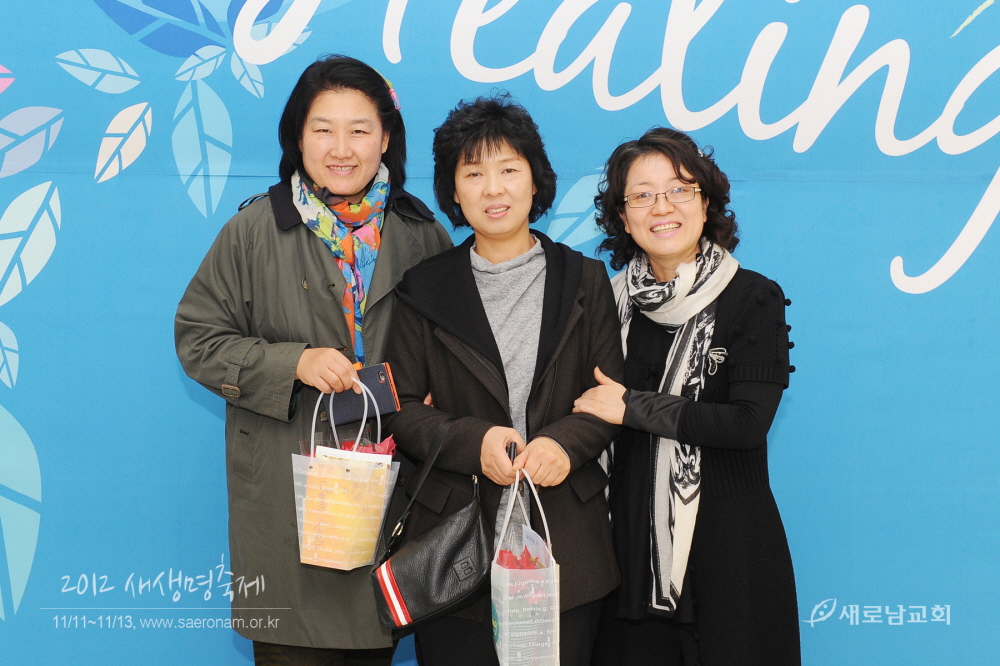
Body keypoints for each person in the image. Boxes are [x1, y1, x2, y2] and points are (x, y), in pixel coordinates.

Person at [174, 55, 452, 665]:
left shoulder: (422, 234)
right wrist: (292, 364)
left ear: (386, 138)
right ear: (297, 137)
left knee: (375, 637)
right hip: (286, 498)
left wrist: (438, 392)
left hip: (388, 496)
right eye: (323, 129)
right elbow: (198, 338)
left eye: (360, 129)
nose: (342, 148)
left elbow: (453, 350)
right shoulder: (253, 230)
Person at [384, 94, 624, 666]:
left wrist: (564, 443)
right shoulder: (423, 288)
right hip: (454, 549)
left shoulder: (585, 279)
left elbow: (608, 397)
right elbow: (400, 406)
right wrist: (476, 441)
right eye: (473, 173)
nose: (493, 189)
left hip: (567, 543)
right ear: (453, 191)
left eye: (509, 170)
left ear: (535, 181)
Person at [575, 128, 800, 665]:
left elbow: (746, 423)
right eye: (642, 195)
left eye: (679, 189)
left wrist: (632, 407)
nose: (662, 207)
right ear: (622, 215)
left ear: (706, 203)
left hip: (730, 549)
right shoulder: (602, 304)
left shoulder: (753, 296)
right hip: (626, 553)